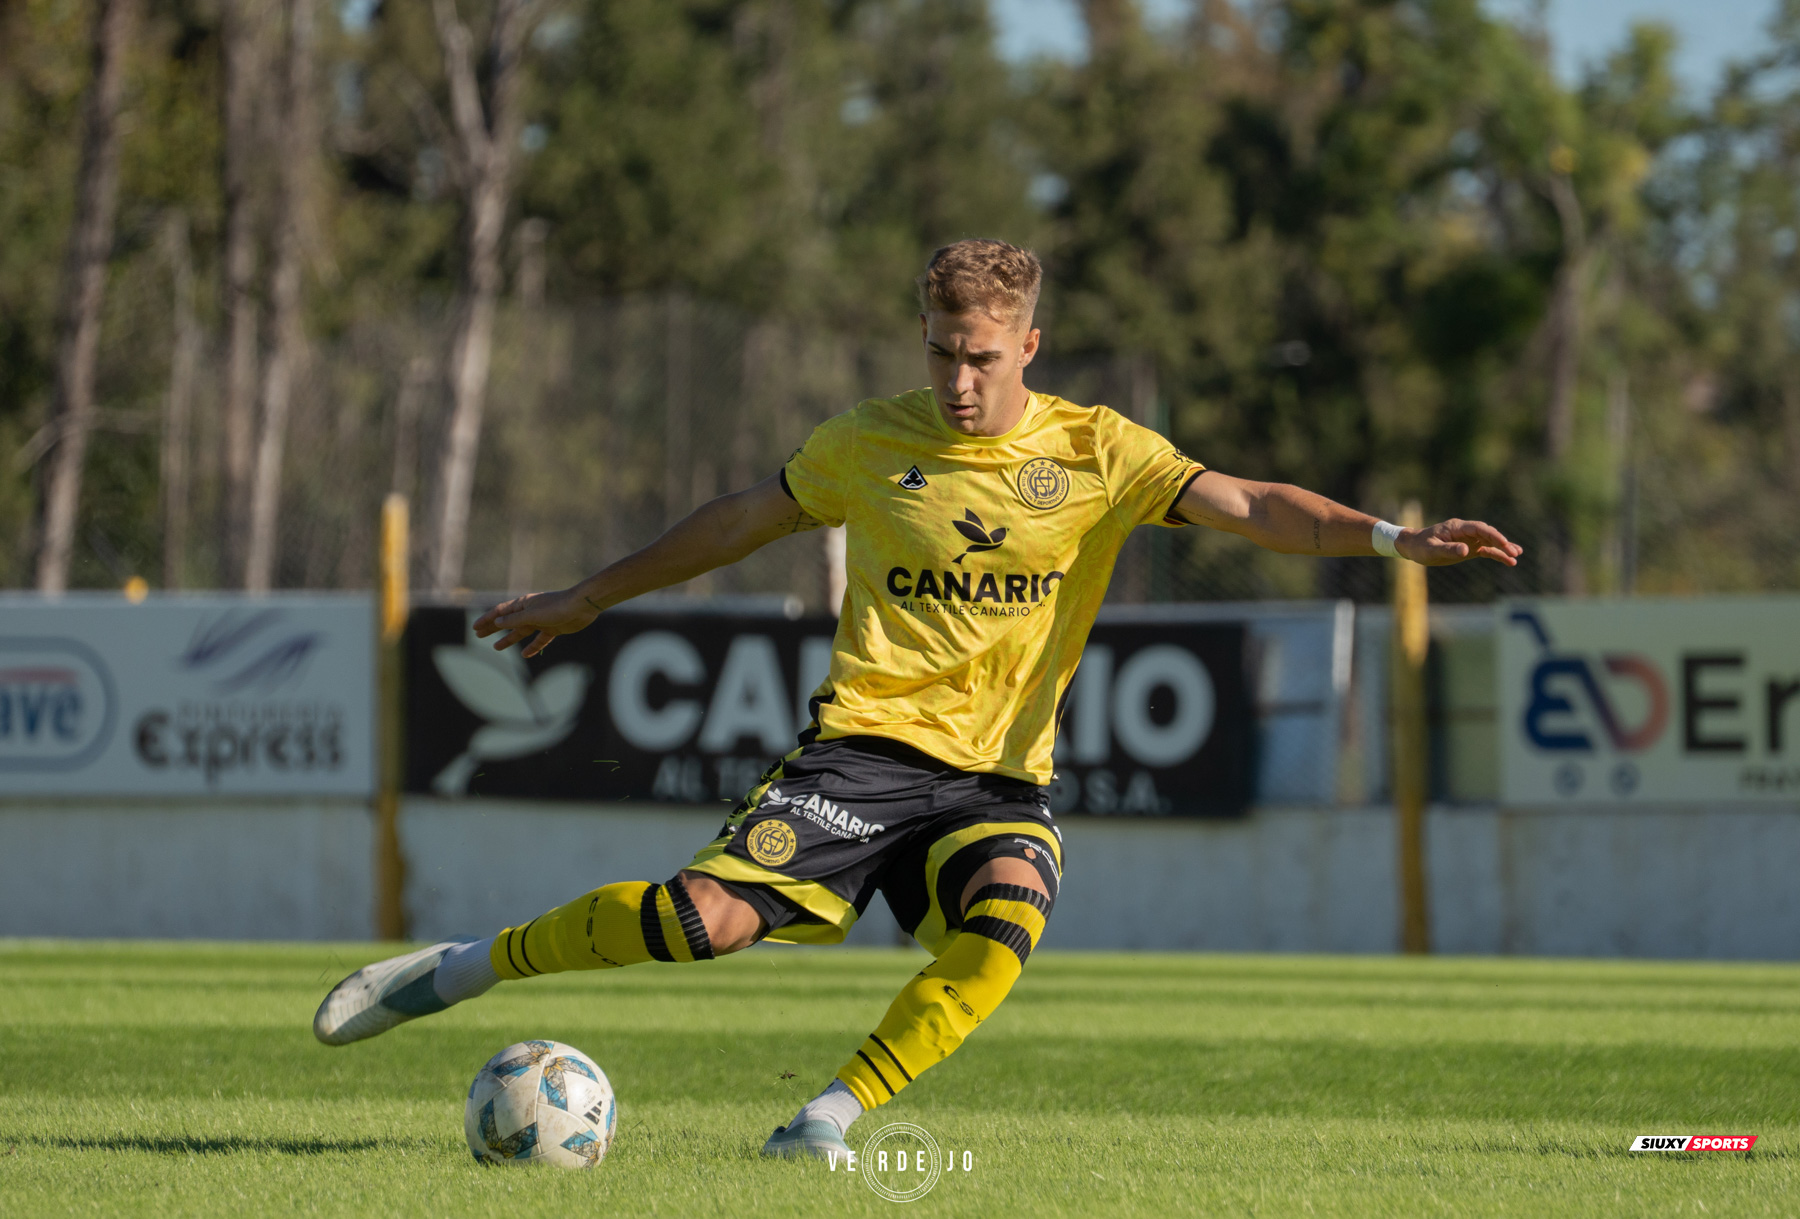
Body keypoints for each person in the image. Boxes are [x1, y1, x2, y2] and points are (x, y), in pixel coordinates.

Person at [313, 238, 1520, 1158]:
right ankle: (466, 970)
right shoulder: (868, 441)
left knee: (1009, 918)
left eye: (981, 356)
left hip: (998, 777)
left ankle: (824, 1121)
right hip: (862, 753)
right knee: (697, 924)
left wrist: (1391, 539)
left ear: (1029, 346)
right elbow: (740, 518)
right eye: (940, 350)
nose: (955, 378)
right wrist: (590, 595)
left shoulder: (1100, 453)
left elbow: (1254, 505)